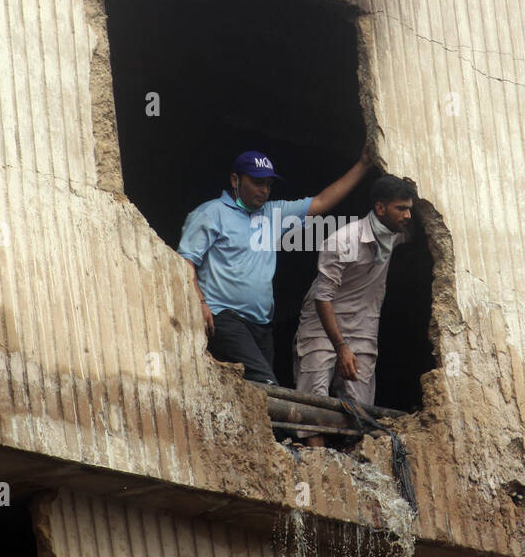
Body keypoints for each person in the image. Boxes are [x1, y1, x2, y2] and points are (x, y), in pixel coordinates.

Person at [178, 144, 375, 384]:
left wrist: (364, 163)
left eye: (269, 184)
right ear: (235, 180)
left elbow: (322, 201)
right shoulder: (211, 213)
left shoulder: (273, 213)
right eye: (257, 182)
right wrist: (200, 302)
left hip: (261, 325)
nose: (264, 190)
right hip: (223, 317)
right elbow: (185, 262)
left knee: (252, 394)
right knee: (266, 383)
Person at [292, 175, 416, 446]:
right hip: (322, 324)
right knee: (315, 395)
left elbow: (414, 234)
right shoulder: (342, 241)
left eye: (409, 208)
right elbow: (322, 299)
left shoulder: (396, 235)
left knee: (360, 405)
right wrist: (341, 346)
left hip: (363, 325)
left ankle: (351, 464)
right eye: (401, 208)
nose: (408, 215)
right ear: (380, 208)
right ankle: (318, 462)